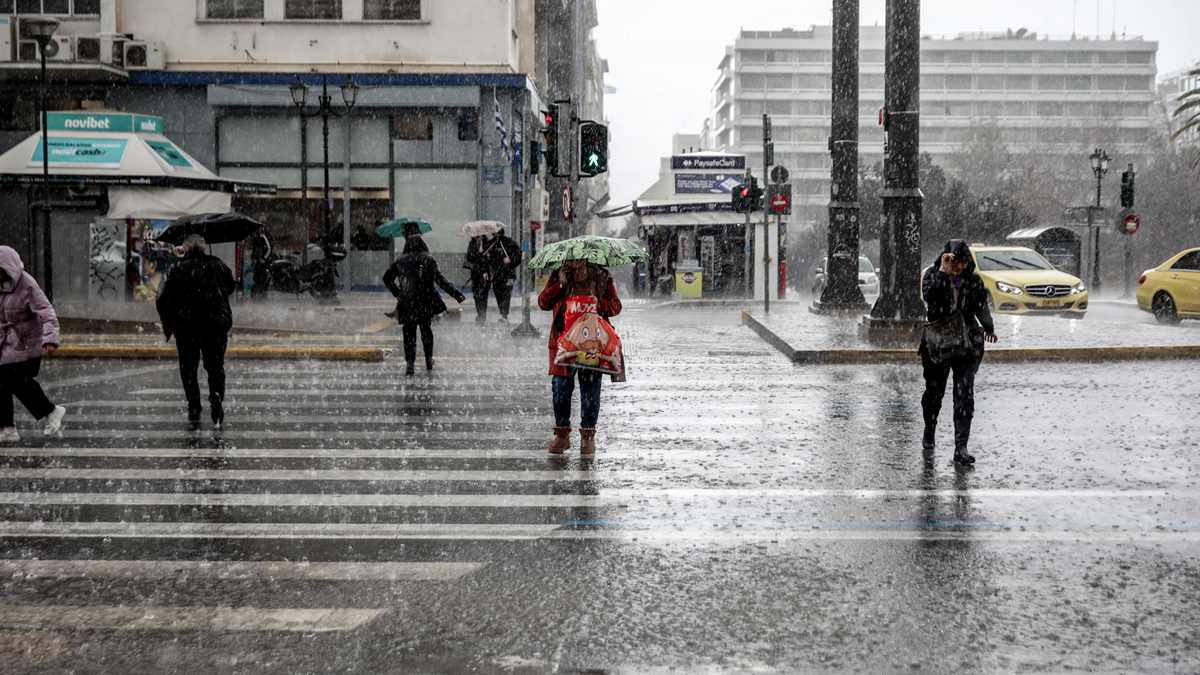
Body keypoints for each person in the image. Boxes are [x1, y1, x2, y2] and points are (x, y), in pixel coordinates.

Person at [919, 239, 998, 465]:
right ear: (945, 258)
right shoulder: (933, 275)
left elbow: (982, 306)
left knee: (964, 395)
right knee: (934, 392)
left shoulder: (973, 281)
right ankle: (929, 430)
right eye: (954, 261)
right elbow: (931, 297)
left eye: (963, 262)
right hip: (938, 343)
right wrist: (943, 272)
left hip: (966, 344)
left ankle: (961, 447)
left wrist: (989, 328)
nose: (959, 266)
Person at [538, 258, 621, 455]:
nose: (575, 265)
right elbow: (543, 303)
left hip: (592, 344)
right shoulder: (558, 274)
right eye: (571, 260)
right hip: (563, 343)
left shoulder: (601, 276)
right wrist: (560, 284)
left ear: (586, 259)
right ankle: (562, 433)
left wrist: (598, 303)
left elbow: (616, 306)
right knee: (560, 388)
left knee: (590, 390)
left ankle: (587, 435)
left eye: (579, 260)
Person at [155, 234, 237, 428]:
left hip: (186, 328)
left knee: (188, 369)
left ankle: (194, 405)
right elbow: (231, 286)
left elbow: (161, 297)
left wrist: (169, 322)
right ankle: (216, 394)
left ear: (184, 249)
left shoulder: (176, 268)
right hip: (214, 327)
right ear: (202, 248)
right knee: (215, 367)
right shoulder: (217, 264)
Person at [0, 246, 65, 442]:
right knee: (2, 382)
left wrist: (51, 339)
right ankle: (7, 428)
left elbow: (46, 312)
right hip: (6, 344)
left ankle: (51, 411)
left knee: (15, 380)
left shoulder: (26, 283)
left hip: (28, 344)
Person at [383, 232, 466, 376]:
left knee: (409, 332)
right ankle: (428, 359)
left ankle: (410, 363)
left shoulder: (401, 260)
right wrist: (456, 294)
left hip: (407, 300)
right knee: (426, 330)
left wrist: (397, 292)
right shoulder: (428, 259)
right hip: (425, 300)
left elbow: (386, 278)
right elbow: (440, 280)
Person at [486, 227, 522, 323]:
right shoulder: (491, 244)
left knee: (506, 293)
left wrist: (510, 261)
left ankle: (504, 315)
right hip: (497, 274)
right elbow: (487, 259)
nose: (496, 234)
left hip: (509, 274)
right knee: (498, 293)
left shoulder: (510, 242)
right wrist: (488, 256)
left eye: (497, 232)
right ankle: (502, 312)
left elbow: (518, 256)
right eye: (494, 233)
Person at [465, 235, 491, 322]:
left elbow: (490, 260)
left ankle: (483, 314)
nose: (477, 238)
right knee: (476, 295)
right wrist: (478, 253)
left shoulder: (488, 245)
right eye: (475, 237)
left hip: (485, 274)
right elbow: (470, 257)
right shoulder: (472, 245)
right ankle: (480, 313)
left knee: (483, 294)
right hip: (475, 274)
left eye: (479, 237)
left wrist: (487, 255)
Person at [250, 226, 273, 300]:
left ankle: (262, 296)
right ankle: (258, 295)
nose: (254, 235)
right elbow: (255, 249)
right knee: (257, 278)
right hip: (258, 262)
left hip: (263, 262)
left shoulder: (262, 238)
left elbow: (269, 248)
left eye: (255, 233)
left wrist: (264, 258)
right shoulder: (255, 239)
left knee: (263, 279)